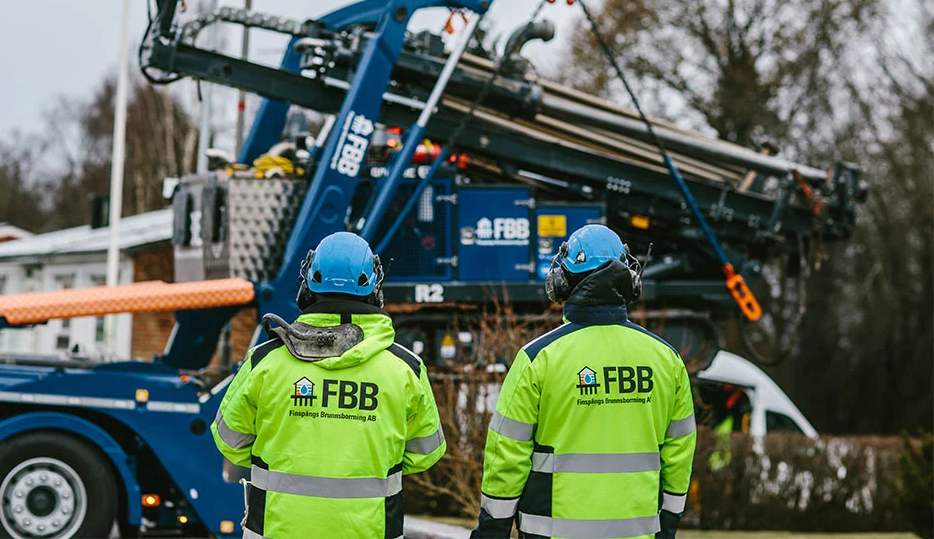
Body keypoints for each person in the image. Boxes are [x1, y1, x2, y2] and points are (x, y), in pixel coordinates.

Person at [211, 232, 446, 539]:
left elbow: (230, 440)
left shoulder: (265, 361)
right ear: (374, 286)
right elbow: (425, 452)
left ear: (307, 284)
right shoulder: (404, 369)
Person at [471, 224, 696, 539]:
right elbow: (679, 452)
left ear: (564, 282)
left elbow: (507, 456)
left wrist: (492, 530)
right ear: (629, 281)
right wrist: (669, 524)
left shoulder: (537, 359)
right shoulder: (666, 360)